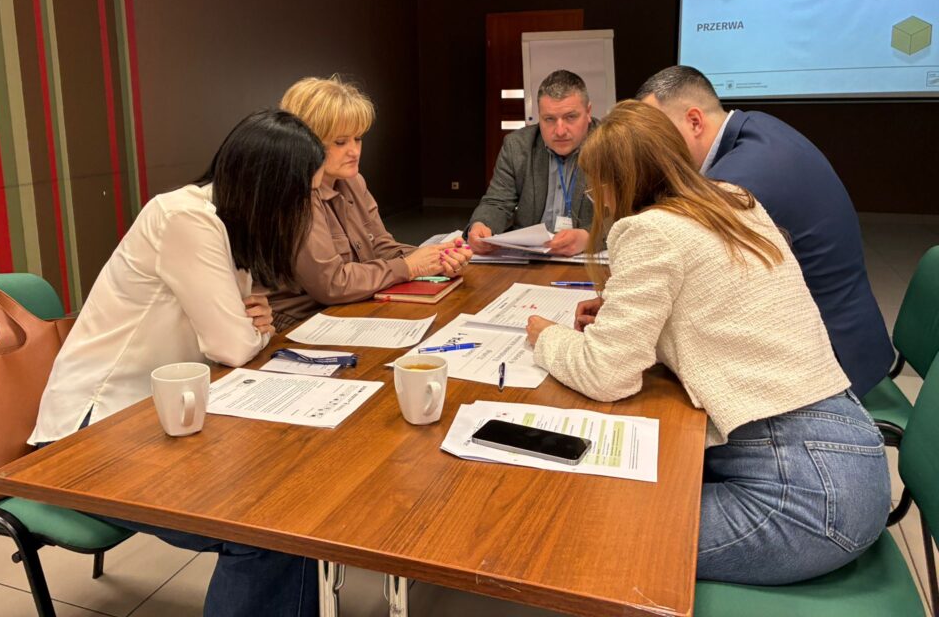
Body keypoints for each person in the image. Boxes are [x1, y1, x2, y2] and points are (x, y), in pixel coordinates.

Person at [525, 100, 890, 585]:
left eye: (596, 188)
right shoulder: (733, 201)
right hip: (844, 453)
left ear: (616, 185)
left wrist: (545, 337)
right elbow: (714, 304)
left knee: (587, 525)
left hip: (807, 497)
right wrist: (628, 316)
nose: (600, 202)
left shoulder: (648, 231)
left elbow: (606, 374)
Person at [30, 110, 327, 617]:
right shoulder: (186, 219)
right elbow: (233, 344)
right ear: (271, 191)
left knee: (292, 494)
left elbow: (242, 326)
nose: (310, 209)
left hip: (156, 417)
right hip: (90, 434)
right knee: (268, 531)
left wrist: (253, 326)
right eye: (307, 195)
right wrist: (256, 329)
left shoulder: (225, 222)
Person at [615, 65, 889, 397]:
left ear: (695, 121)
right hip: (855, 335)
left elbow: (690, 288)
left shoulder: (736, 184)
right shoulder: (756, 125)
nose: (652, 149)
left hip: (830, 363)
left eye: (658, 135)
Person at [270, 76, 471, 331]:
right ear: (306, 142)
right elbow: (332, 284)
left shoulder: (353, 181)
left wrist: (437, 258)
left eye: (358, 139)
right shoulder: (296, 195)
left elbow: (380, 246)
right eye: (340, 142)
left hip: (349, 308)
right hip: (300, 325)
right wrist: (410, 267)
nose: (354, 151)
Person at [466, 69, 598, 256]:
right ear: (539, 116)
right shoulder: (517, 146)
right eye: (549, 119)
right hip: (530, 258)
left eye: (570, 117)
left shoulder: (611, 145)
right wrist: (481, 225)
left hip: (587, 258)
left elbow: (630, 214)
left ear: (588, 112)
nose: (560, 131)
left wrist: (589, 237)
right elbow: (497, 203)